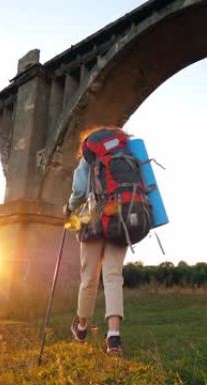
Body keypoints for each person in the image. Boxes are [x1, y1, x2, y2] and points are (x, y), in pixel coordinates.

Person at [63, 126, 131, 355]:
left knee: (89, 278)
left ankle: (81, 327)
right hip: (120, 218)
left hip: (93, 222)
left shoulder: (89, 156)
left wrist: (69, 208)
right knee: (113, 276)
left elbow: (80, 191)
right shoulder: (125, 152)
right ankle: (113, 337)